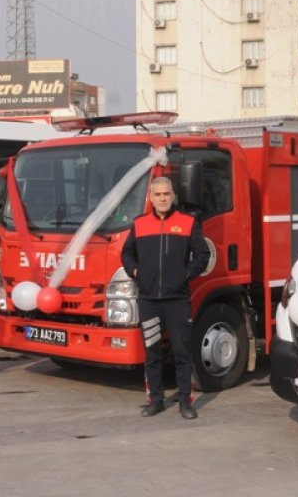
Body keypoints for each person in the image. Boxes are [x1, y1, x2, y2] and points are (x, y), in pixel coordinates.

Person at [121, 176, 210, 420]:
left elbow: (202, 255)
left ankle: (185, 402)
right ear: (151, 198)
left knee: (182, 352)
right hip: (148, 300)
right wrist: (135, 271)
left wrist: (185, 275)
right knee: (152, 354)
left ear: (173, 196)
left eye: (166, 194)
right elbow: (127, 254)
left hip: (177, 301)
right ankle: (156, 401)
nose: (162, 198)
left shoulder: (188, 222)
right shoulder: (139, 224)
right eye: (158, 195)